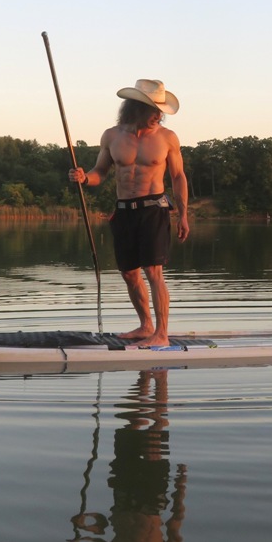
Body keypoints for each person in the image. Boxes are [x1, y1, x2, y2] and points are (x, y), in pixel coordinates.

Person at [69, 79, 189, 347]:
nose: (158, 115)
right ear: (135, 108)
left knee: (153, 269)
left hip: (154, 209)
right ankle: (146, 326)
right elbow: (100, 172)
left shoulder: (167, 138)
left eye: (160, 110)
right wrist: (84, 178)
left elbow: (178, 176)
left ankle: (162, 333)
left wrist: (183, 214)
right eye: (152, 109)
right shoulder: (111, 136)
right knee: (129, 272)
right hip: (123, 212)